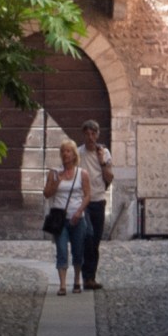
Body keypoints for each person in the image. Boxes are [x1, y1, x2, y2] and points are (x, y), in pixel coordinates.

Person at [42, 137, 91, 293]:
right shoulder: (54, 173)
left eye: (68, 151)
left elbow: (88, 195)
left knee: (78, 251)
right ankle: (62, 284)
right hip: (59, 219)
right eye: (63, 151)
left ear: (74, 154)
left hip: (77, 218)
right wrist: (57, 182)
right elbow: (47, 194)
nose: (65, 154)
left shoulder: (82, 174)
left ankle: (77, 280)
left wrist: (79, 212)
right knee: (61, 251)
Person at [77, 119, 114, 287]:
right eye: (87, 134)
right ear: (83, 135)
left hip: (99, 201)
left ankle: (90, 277)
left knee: (96, 241)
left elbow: (109, 178)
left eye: (93, 133)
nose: (91, 137)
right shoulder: (79, 154)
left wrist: (102, 162)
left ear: (98, 134)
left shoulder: (104, 153)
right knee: (88, 237)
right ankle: (86, 276)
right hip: (84, 202)